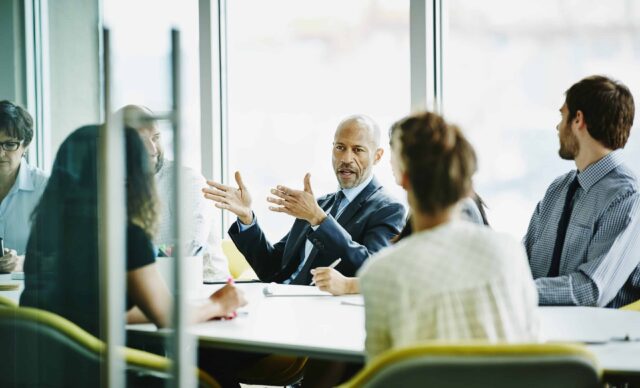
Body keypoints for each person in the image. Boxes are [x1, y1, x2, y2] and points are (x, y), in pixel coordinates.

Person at [20, 125, 246, 336]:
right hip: (108, 373)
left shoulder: (47, 231)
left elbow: (95, 310)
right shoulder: (126, 237)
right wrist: (217, 304)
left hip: (45, 369)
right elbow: (165, 317)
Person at [358, 111, 539, 361]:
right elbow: (533, 347)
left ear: (404, 179)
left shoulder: (381, 274)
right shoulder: (509, 251)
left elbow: (380, 373)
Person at [204, 115, 405, 285]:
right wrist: (247, 218)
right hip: (282, 302)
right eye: (340, 147)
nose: (346, 158)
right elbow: (271, 268)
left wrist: (319, 220)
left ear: (377, 156)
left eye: (358, 150)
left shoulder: (388, 209)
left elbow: (373, 272)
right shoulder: (319, 204)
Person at [311, 121, 490, 295]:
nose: (390, 161)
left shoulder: (458, 209)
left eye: (394, 152)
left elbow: (425, 279)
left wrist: (348, 285)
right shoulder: (426, 208)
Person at [524, 75, 640, 308]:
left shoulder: (628, 198)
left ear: (578, 120)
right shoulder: (557, 190)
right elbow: (522, 262)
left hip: (598, 340)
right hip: (541, 333)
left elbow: (591, 289)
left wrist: (516, 292)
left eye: (562, 115)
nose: (558, 127)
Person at [119, 105, 230, 281]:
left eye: (156, 137)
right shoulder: (113, 185)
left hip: (205, 288)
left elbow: (190, 247)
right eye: (140, 141)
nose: (153, 150)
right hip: (146, 290)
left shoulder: (186, 180)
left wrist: (134, 254)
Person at [0, 100, 47, 272]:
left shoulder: (44, 187)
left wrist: (22, 262)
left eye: (10, 144)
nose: (0, 153)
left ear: (25, 145)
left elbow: (63, 252)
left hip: (27, 294)